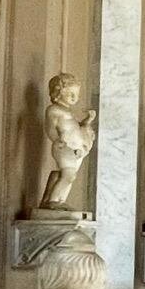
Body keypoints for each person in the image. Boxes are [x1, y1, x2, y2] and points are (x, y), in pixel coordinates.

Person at [38, 73, 97, 212]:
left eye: (76, 94)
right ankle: (53, 201)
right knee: (68, 175)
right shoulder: (54, 110)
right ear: (58, 92)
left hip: (74, 150)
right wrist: (56, 139)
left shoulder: (68, 112)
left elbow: (75, 128)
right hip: (64, 147)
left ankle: (59, 200)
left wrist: (88, 121)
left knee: (67, 176)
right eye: (70, 93)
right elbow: (50, 127)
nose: (74, 97)